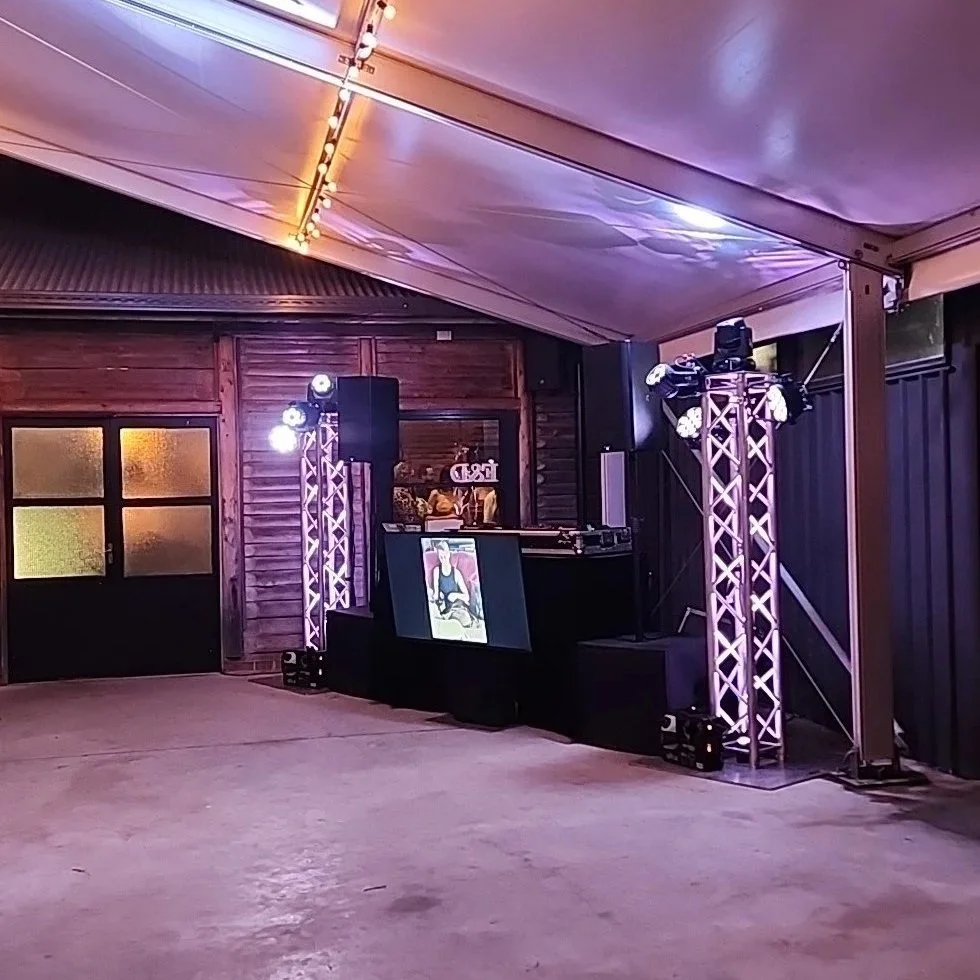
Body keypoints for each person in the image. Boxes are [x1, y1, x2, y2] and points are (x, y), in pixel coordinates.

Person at [429, 540, 475, 626]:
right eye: (441, 557)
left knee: (463, 618)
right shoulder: (436, 571)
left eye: (445, 556)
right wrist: (437, 595)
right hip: (444, 609)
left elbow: (467, 597)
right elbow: (435, 594)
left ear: (449, 554)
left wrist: (455, 595)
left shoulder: (456, 573)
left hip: (457, 608)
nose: (443, 560)